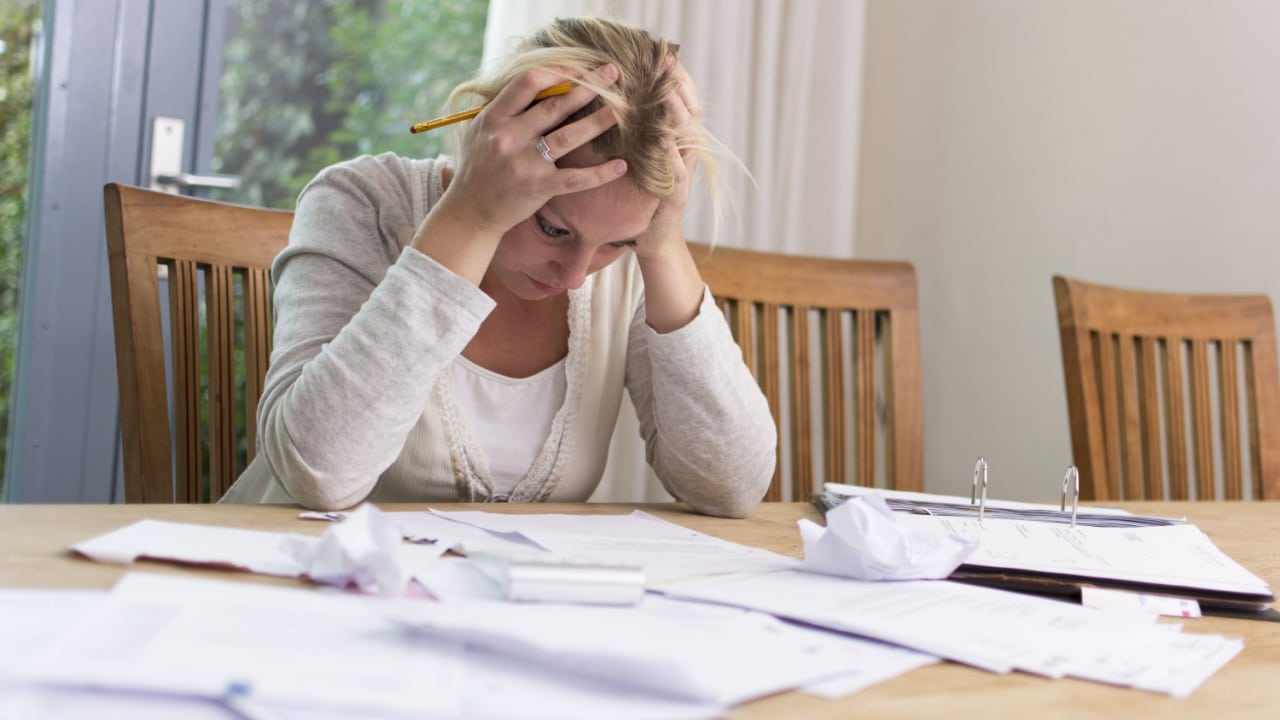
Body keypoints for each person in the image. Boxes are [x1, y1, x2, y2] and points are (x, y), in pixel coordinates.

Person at [222, 16, 776, 518]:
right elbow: (319, 473)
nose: (575, 276)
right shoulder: (360, 201)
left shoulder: (631, 263)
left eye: (618, 244)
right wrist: (471, 217)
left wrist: (658, 246)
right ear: (493, 141)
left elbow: (730, 487)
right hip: (294, 591)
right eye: (553, 229)